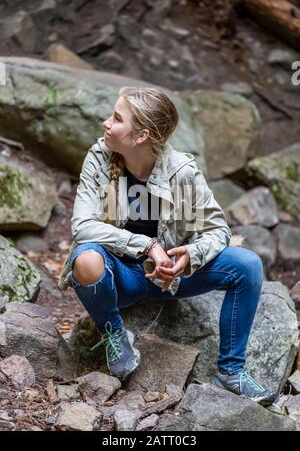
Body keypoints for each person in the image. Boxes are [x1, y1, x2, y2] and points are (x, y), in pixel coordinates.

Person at [58, 86, 275, 406]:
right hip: (121, 278)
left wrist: (190, 255)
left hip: (171, 276)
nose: (106, 123)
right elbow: (82, 226)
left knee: (248, 265)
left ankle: (231, 371)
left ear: (141, 136)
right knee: (86, 259)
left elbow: (217, 229)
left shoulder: (182, 171)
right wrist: (148, 246)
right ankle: (115, 335)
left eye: (117, 119)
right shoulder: (99, 157)